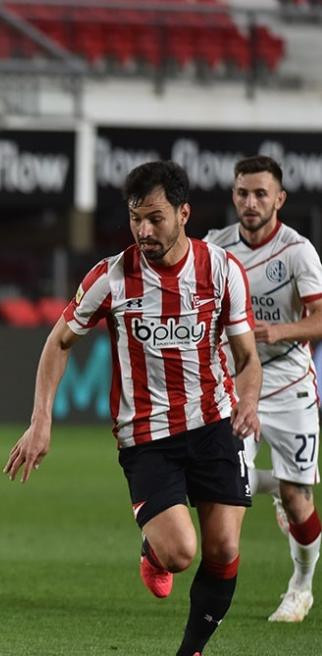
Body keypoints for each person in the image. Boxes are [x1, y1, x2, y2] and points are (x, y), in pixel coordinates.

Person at [4, 161, 261, 656]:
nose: (143, 230)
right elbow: (59, 342)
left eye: (155, 218)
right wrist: (41, 421)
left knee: (225, 549)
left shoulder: (223, 270)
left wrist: (248, 399)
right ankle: (154, 549)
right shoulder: (111, 278)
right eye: (135, 218)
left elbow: (247, 355)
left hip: (213, 422)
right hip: (147, 437)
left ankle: (191, 651)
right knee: (181, 552)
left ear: (184, 214)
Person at [204, 155, 321, 622]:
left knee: (298, 499)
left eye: (260, 194)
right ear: (233, 195)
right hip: (235, 384)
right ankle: (212, 599)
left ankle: (301, 587)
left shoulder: (298, 252)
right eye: (241, 193)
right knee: (222, 483)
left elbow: (320, 319)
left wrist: (276, 332)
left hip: (290, 382)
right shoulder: (216, 246)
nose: (250, 203)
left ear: (279, 199)